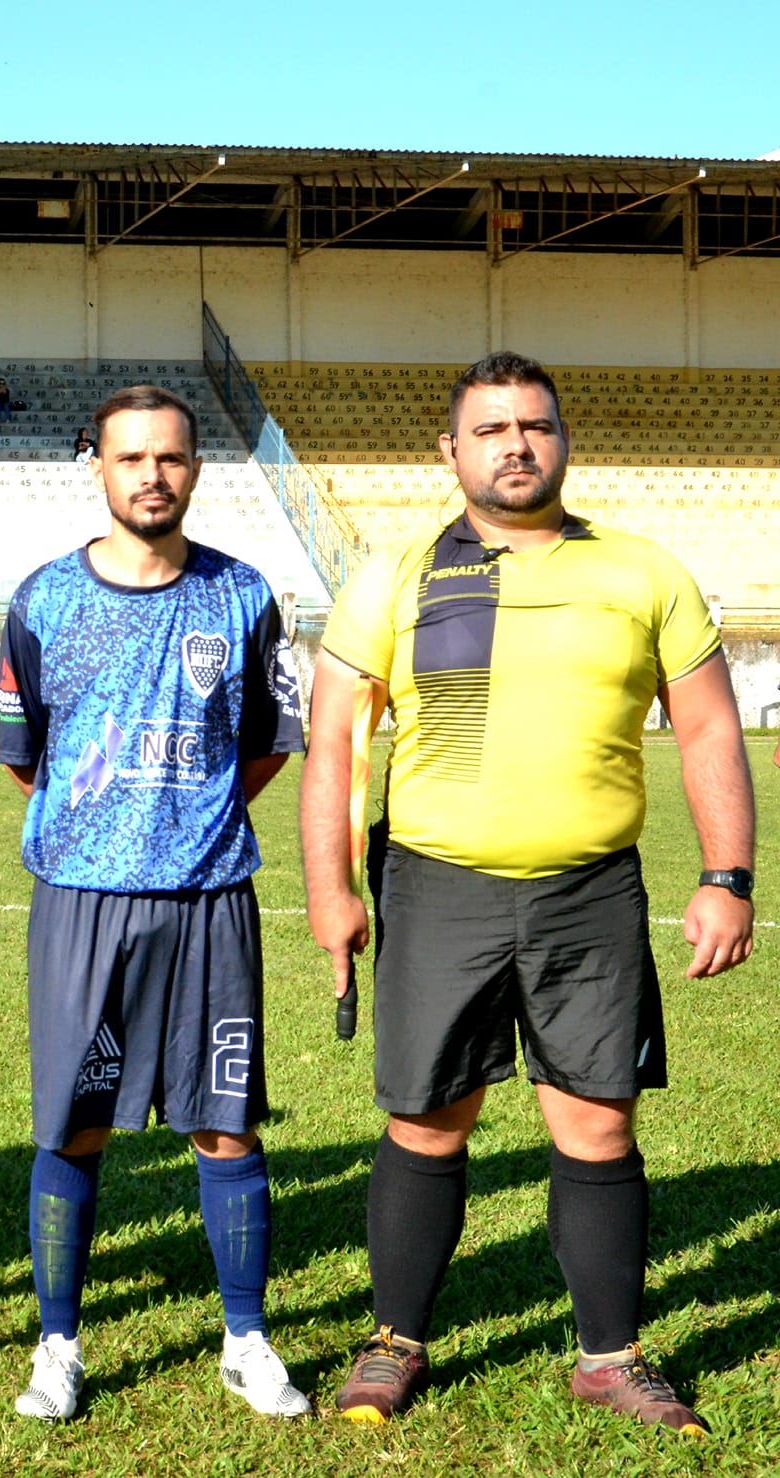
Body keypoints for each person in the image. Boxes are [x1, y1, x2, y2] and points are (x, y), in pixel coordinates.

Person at [301, 352, 754, 1436]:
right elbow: (328, 744)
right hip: (434, 884)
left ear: (563, 441)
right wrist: (329, 888)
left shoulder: (642, 571)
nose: (515, 443)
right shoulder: (391, 574)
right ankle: (394, 1340)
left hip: (588, 892)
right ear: (448, 450)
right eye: (491, 427)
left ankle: (608, 1356)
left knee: (596, 1124)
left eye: (534, 425)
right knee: (425, 1120)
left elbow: (704, 727)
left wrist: (725, 873)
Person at [0, 384, 311, 1424]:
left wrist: (191, 815)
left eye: (168, 457)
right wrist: (103, 828)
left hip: (210, 897)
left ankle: (245, 1337)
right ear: (97, 464)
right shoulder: (42, 599)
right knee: (73, 1124)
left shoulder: (243, 595)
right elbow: (24, 755)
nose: (149, 475)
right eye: (129, 457)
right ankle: (56, 1343)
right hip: (82, 901)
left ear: (194, 470)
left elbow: (267, 740)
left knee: (225, 1123)